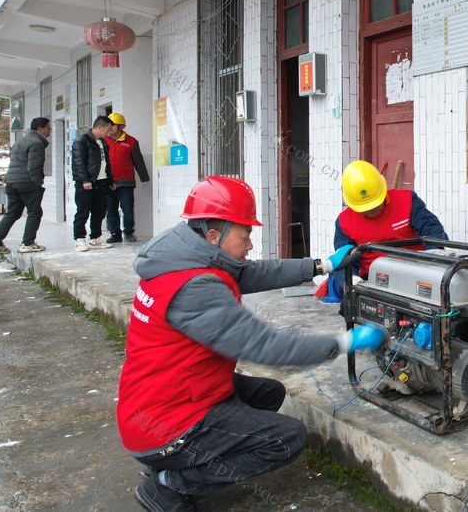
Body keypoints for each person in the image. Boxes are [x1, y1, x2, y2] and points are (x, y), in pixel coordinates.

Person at [117, 176, 387, 512]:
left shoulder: (187, 259)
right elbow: (266, 346)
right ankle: (169, 485)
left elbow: (256, 273)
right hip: (165, 424)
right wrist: (343, 342)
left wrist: (324, 265)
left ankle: (179, 461)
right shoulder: (194, 288)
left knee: (268, 394)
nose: (250, 245)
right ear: (214, 235)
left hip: (166, 394)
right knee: (285, 438)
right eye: (245, 235)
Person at [326, 160, 448, 286]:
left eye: (374, 204)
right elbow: (344, 258)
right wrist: (350, 279)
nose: (371, 210)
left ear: (382, 191)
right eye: (365, 208)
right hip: (372, 279)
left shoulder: (407, 202)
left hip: (417, 274)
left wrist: (435, 258)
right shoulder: (345, 222)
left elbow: (432, 230)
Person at [0, 117, 51, 254]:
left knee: (12, 213)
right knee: (35, 212)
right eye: (48, 128)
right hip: (27, 183)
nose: (49, 131)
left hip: (12, 182)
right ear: (40, 129)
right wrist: (37, 183)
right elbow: (34, 166)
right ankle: (28, 243)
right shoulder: (36, 143)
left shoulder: (20, 141)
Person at [104, 112, 150, 243]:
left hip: (126, 181)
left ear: (121, 126)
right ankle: (115, 234)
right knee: (111, 209)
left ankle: (129, 233)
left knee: (127, 208)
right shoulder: (103, 140)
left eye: (113, 125)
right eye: (109, 125)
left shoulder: (131, 142)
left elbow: (138, 161)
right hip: (108, 182)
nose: (110, 127)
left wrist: (144, 178)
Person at [71, 115, 115, 251]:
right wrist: (85, 180)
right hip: (87, 183)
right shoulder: (81, 141)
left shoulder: (103, 142)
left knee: (99, 211)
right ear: (99, 127)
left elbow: (106, 163)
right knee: (83, 211)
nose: (109, 132)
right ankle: (79, 239)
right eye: (108, 129)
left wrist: (110, 180)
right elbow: (78, 162)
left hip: (102, 182)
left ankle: (95, 238)